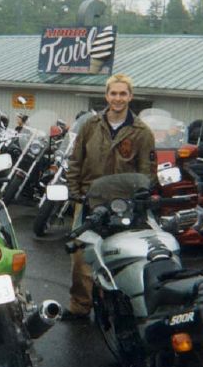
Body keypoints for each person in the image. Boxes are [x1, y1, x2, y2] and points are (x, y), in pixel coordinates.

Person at [61, 73, 158, 321]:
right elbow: (75, 160)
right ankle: (80, 305)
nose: (118, 98)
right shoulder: (90, 126)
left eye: (123, 93)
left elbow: (147, 173)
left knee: (120, 254)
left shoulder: (142, 132)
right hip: (89, 200)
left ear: (130, 96)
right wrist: (75, 192)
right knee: (81, 256)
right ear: (106, 96)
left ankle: (119, 308)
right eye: (113, 93)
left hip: (122, 205)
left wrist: (138, 200)